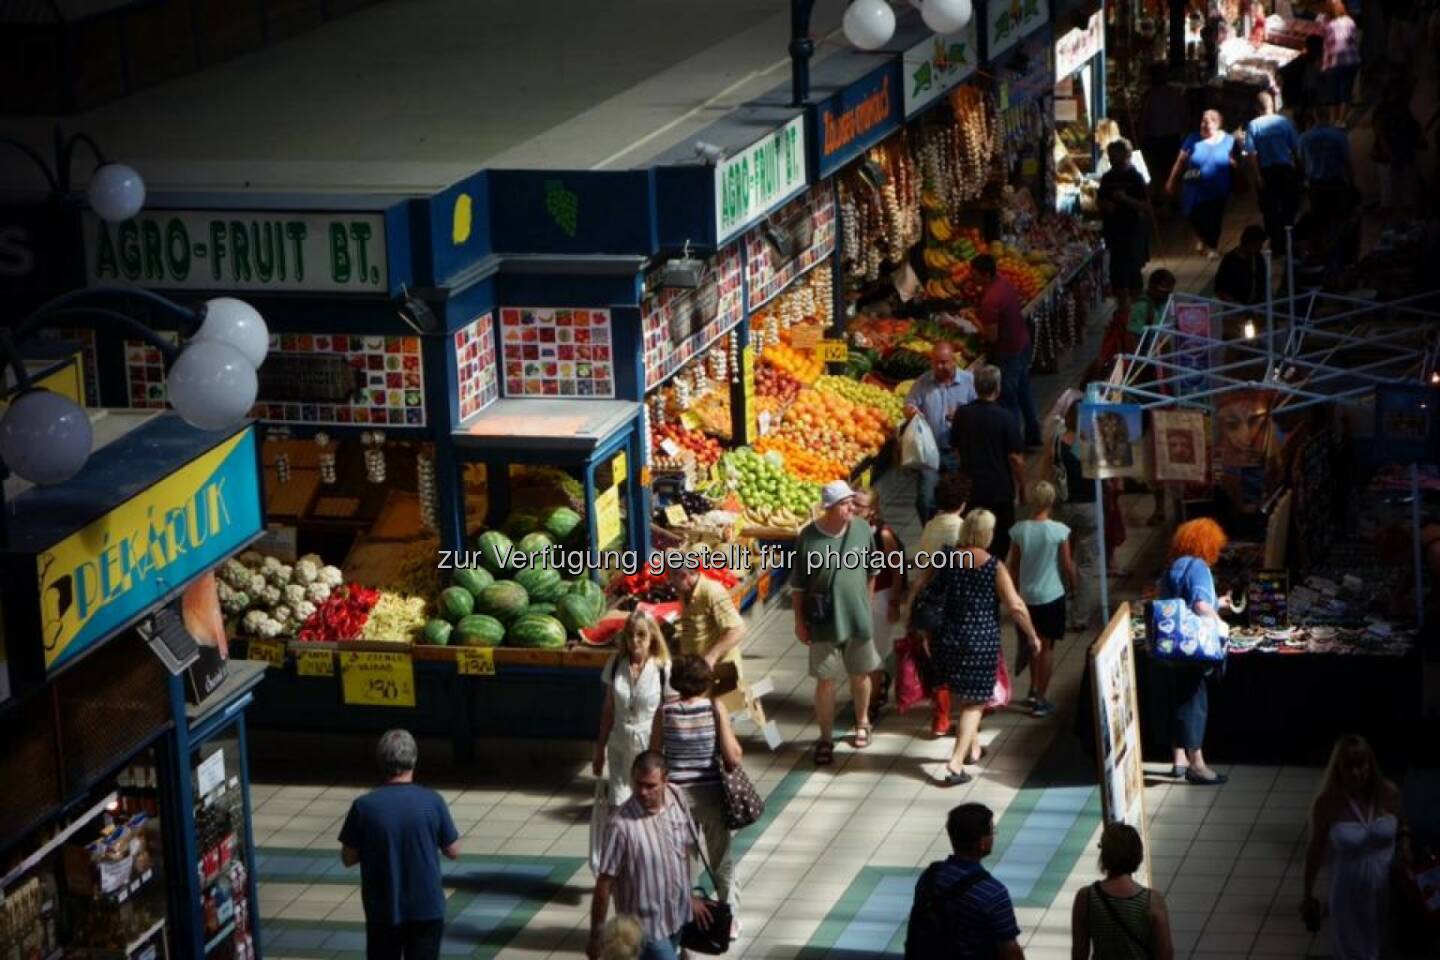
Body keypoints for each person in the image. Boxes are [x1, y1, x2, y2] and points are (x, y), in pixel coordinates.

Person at [925, 510, 1040, 785]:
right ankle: (954, 764)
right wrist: (1032, 636)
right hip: (980, 641)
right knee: (974, 703)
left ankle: (971, 750)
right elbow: (1015, 606)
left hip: (948, 639)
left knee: (963, 697)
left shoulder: (948, 557)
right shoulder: (994, 566)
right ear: (988, 533)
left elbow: (928, 593)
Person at [339, 730, 461, 960]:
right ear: (414, 760)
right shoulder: (432, 801)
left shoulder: (364, 807)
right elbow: (453, 850)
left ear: (380, 762)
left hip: (383, 908)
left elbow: (348, 858)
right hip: (426, 906)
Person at [590, 752, 712, 960]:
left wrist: (689, 896)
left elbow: (684, 851)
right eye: (638, 784)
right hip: (645, 930)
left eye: (651, 786)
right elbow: (604, 883)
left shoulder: (677, 798)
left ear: (665, 781)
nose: (643, 792)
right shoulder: (620, 825)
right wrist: (596, 935)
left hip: (677, 918)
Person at [650, 655, 742, 929]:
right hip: (711, 796)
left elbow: (654, 757)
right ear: (704, 681)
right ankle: (729, 919)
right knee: (721, 860)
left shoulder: (664, 712)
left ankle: (685, 918)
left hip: (676, 800)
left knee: (682, 864)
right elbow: (733, 756)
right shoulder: (714, 708)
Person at [792, 480, 879, 764]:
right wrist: (799, 622)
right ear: (829, 508)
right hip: (823, 621)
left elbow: (872, 570)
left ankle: (862, 721)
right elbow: (799, 586)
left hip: (856, 618)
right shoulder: (808, 537)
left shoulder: (862, 529)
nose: (852, 508)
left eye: (852, 502)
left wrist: (866, 603)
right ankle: (826, 736)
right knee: (825, 682)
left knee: (861, 674)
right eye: (845, 504)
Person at [1302, 735, 1409, 959]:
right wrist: (1307, 894)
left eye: (1361, 766)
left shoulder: (1388, 793)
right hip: (1348, 892)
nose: (1356, 773)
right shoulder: (1328, 804)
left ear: (1370, 765)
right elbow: (1315, 851)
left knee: (1386, 948)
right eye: (1349, 767)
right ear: (1338, 769)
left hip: (1386, 888)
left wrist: (1405, 851)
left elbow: (1403, 827)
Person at [1157, 519, 1234, 786]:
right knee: (1194, 702)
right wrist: (1220, 622)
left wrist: (1217, 602)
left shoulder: (1173, 567)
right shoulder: (1199, 567)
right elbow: (1200, 605)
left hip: (1170, 648)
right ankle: (1197, 765)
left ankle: (1177, 760)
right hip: (1192, 649)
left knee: (1176, 700)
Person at [592, 612, 671, 871]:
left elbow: (664, 713)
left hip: (647, 744)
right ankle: (620, 863)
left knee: (645, 803)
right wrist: (599, 748)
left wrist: (657, 755)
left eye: (641, 635)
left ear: (651, 637)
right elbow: (607, 709)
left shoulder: (662, 669)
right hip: (619, 742)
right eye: (630, 635)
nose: (635, 641)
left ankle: (646, 860)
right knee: (617, 804)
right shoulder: (616, 665)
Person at [905, 803, 1025, 960]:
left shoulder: (930, 876)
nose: (993, 836)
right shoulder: (993, 893)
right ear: (981, 843)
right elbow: (1009, 950)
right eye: (991, 831)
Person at [1006, 481, 1076, 719]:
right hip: (1051, 595)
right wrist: (1074, 588)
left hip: (1026, 597)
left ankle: (1033, 688)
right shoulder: (1059, 531)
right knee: (1046, 648)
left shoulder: (1019, 530)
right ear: (1051, 502)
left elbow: (1013, 566)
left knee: (1031, 644)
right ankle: (1041, 698)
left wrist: (1014, 593)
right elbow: (1067, 566)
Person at [951, 364, 1027, 562]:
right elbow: (1016, 459)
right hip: (999, 490)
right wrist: (1023, 487)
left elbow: (956, 449)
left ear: (975, 388)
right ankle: (994, 575)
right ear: (998, 388)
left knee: (972, 538)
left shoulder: (962, 415)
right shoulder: (1006, 418)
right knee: (1000, 540)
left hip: (971, 488)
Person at [1070, 823, 1176, 960]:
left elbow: (1079, 952)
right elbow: (1165, 953)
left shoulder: (1086, 898)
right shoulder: (1152, 901)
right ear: (1137, 854)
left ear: (1105, 855)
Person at [972, 255, 1042, 448]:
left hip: (1008, 352)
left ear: (985, 275)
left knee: (1009, 400)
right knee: (1025, 393)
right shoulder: (1004, 283)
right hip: (1022, 343)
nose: (972, 278)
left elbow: (991, 336)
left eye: (975, 274)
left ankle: (1014, 445)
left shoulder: (990, 300)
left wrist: (975, 322)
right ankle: (1034, 437)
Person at [905, 342, 977, 523]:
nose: (939, 367)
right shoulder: (923, 382)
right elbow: (909, 404)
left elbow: (980, 410)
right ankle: (931, 533)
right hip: (931, 452)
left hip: (957, 452)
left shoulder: (969, 381)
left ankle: (957, 535)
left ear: (954, 360)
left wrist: (962, 416)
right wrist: (911, 411)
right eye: (935, 362)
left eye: (944, 362)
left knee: (959, 498)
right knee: (926, 499)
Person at [855, 490, 907, 725]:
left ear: (873, 510)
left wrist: (895, 602)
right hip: (858, 598)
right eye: (852, 502)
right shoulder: (849, 530)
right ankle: (873, 690)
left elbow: (897, 571)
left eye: (860, 505)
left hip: (880, 597)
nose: (853, 507)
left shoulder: (883, 535)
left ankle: (873, 700)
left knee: (873, 653)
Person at [669, 552, 746, 705]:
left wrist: (711, 657)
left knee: (721, 720)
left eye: (671, 577)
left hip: (719, 675)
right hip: (695, 677)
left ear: (684, 575)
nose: (669, 582)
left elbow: (738, 629)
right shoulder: (684, 592)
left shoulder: (712, 591)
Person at [1166, 110, 1238, 259]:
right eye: (1203, 121)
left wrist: (1233, 163)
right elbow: (1180, 162)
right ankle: (1201, 236)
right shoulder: (1192, 139)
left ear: (1218, 124)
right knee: (1193, 215)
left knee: (1214, 218)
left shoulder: (1228, 140)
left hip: (1218, 188)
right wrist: (1171, 182)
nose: (1204, 125)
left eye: (1208, 122)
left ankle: (1212, 246)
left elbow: (1234, 161)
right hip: (1194, 187)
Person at [1099, 141, 1152, 327]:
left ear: (1125, 155)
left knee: (1133, 270)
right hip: (1113, 232)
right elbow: (1100, 201)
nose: (1112, 159)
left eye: (1116, 155)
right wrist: (1106, 206)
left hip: (1133, 231)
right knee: (1117, 272)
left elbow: (1146, 206)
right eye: (1110, 155)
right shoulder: (1107, 178)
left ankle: (1137, 310)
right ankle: (1122, 310)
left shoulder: (1135, 177)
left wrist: (1126, 199)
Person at [1243, 91, 1302, 253]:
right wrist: (1299, 169)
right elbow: (1296, 148)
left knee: (1269, 209)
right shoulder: (1284, 122)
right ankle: (1288, 238)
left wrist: (1257, 176)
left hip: (1266, 172)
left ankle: (1276, 243)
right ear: (1273, 104)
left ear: (1256, 107)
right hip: (1285, 170)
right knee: (1289, 205)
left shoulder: (1253, 126)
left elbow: (1251, 154)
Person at [1138, 66, 1188, 210]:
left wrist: (1141, 136)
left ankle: (1161, 200)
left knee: (1157, 171)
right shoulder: (1175, 94)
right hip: (1171, 138)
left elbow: (1144, 118)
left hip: (1154, 139)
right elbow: (1183, 115)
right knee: (1171, 170)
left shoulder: (1149, 96)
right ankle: (1170, 200)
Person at [1372, 80, 1424, 215]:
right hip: (1396, 152)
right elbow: (1381, 130)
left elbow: (1381, 131)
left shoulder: (1394, 109)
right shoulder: (1394, 109)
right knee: (1393, 184)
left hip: (1397, 152)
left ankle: (1396, 206)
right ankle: (1397, 206)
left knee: (1393, 184)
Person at [1213, 225, 1270, 306]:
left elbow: (1262, 283)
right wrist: (1233, 303)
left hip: (1254, 306)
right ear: (1249, 243)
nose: (1260, 248)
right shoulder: (1230, 260)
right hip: (1234, 306)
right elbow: (1219, 288)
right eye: (1259, 245)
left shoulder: (1258, 258)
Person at [1320, 0, 1362, 106]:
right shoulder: (1350, 21)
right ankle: (1341, 121)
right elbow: (1354, 38)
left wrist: (1324, 65)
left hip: (1335, 62)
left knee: (1334, 93)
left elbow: (1327, 45)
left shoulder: (1327, 23)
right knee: (1345, 93)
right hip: (1352, 61)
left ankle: (1334, 119)